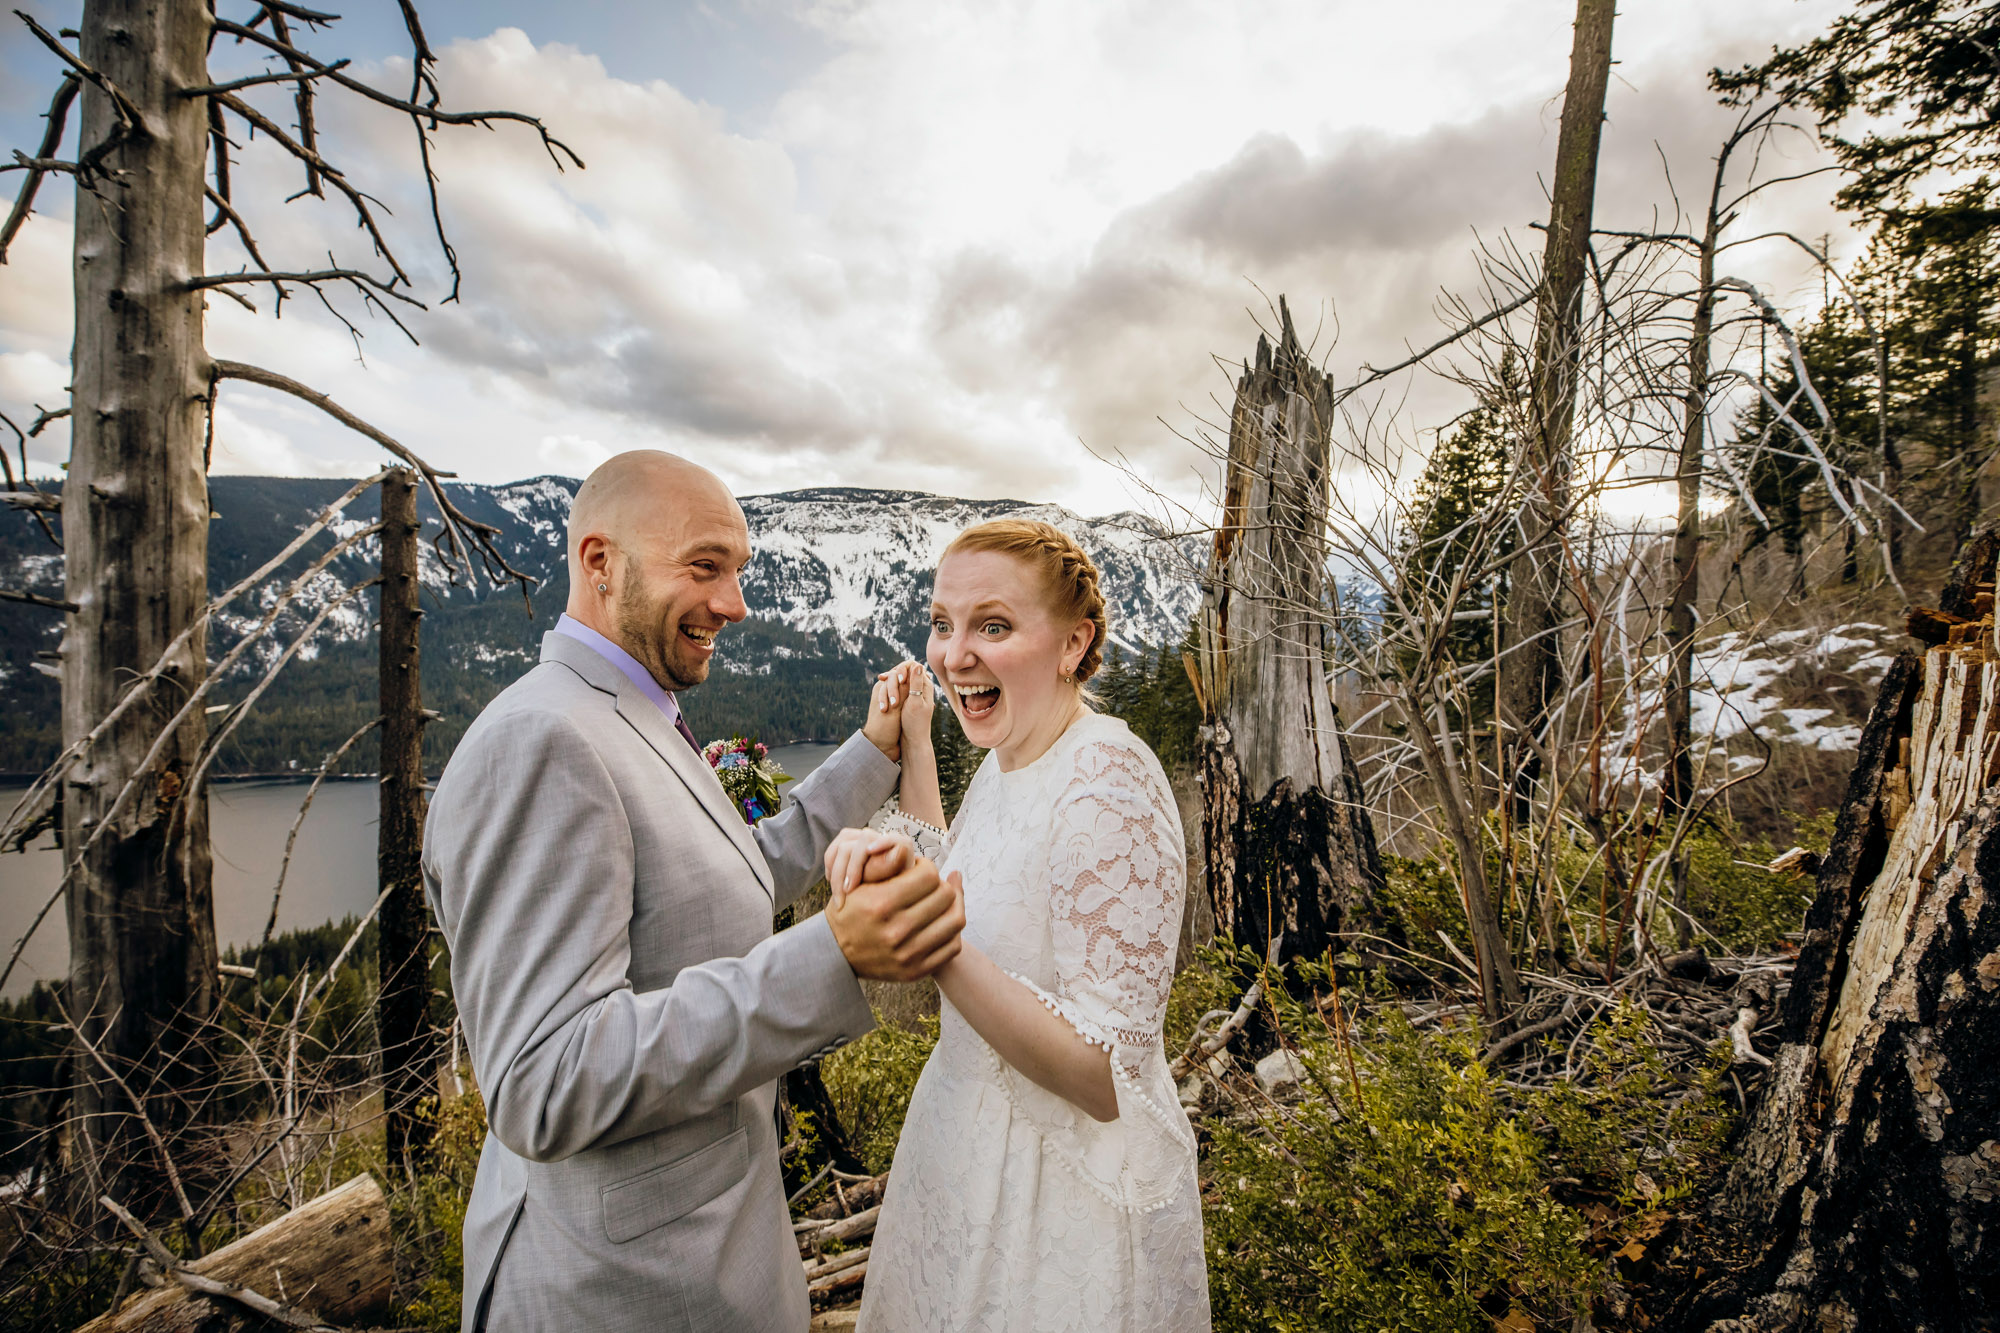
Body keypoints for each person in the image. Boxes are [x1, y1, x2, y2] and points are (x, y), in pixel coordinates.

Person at [422, 450, 964, 1333]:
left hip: (698, 1257)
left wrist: (871, 755)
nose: (735, 603)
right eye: (704, 566)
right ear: (600, 563)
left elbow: (727, 877)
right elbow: (543, 1079)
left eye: (738, 570)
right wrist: (830, 954)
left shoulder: (632, 709)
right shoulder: (541, 739)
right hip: (620, 1290)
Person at [828, 518, 1211, 1331]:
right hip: (959, 1152)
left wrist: (935, 944)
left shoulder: (1106, 778)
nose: (954, 652)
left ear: (1074, 643)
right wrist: (917, 750)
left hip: (1052, 1195)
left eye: (992, 625)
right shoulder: (1010, 761)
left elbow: (1107, 1074)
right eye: (942, 623)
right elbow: (961, 873)